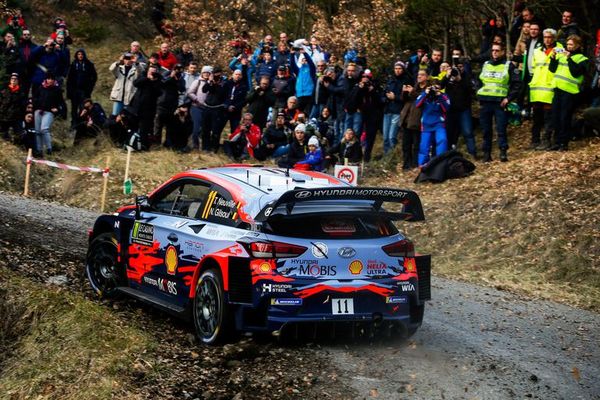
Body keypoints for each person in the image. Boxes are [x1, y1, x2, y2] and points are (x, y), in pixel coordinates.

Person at [477, 43, 522, 162]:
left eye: (497, 50)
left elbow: (517, 84)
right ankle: (487, 154)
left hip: (500, 102)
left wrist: (509, 98)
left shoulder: (508, 66)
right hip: (485, 101)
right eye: (493, 50)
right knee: (486, 130)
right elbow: (478, 81)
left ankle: (503, 152)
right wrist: (478, 92)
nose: (495, 52)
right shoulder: (486, 64)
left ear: (503, 52)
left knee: (501, 129)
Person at [549, 35, 589, 151]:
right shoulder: (562, 55)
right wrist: (553, 58)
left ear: (578, 46)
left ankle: (563, 143)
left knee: (564, 118)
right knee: (555, 117)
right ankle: (556, 142)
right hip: (557, 89)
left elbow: (576, 72)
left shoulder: (582, 59)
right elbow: (552, 69)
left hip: (570, 92)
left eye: (571, 44)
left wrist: (570, 58)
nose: (568, 47)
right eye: (568, 44)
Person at [530, 29, 562, 150]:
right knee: (537, 117)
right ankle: (535, 140)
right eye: (545, 37)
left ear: (554, 38)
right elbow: (533, 68)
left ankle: (547, 140)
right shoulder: (537, 51)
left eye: (550, 37)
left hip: (550, 86)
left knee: (549, 117)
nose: (547, 40)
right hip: (537, 88)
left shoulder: (560, 50)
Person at [443, 61, 477, 158]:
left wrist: (460, 79)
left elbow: (471, 90)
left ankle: (472, 154)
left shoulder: (467, 77)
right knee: (449, 133)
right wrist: (447, 76)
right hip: (450, 110)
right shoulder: (449, 76)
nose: (458, 69)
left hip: (464, 109)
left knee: (468, 132)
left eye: (461, 67)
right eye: (456, 67)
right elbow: (441, 86)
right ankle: (448, 155)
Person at [415, 79, 450, 166]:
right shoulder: (425, 95)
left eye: (437, 87)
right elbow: (417, 104)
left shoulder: (444, 96)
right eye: (433, 87)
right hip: (426, 124)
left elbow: (446, 108)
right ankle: (422, 164)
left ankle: (441, 163)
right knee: (424, 145)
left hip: (439, 123)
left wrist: (439, 96)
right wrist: (425, 93)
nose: (434, 89)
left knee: (442, 140)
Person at [130, 64, 163, 149]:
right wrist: (147, 78)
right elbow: (136, 83)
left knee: (145, 128)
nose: (152, 73)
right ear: (148, 71)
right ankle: (131, 143)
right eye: (150, 71)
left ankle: (144, 146)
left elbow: (159, 92)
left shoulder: (158, 79)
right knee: (133, 126)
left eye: (153, 72)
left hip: (149, 109)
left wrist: (153, 81)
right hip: (137, 106)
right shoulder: (143, 76)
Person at [400, 70, 427, 169]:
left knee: (416, 144)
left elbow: (423, 100)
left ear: (427, 77)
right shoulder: (414, 86)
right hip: (407, 119)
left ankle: (415, 164)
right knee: (406, 144)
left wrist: (413, 92)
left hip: (418, 120)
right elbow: (403, 100)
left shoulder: (427, 89)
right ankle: (406, 164)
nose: (419, 76)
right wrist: (404, 92)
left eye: (422, 75)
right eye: (418, 74)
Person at [382, 61, 410, 154]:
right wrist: (385, 98)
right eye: (396, 68)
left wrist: (395, 97)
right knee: (385, 137)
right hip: (387, 110)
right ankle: (386, 156)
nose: (397, 70)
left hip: (398, 111)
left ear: (403, 69)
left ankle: (392, 156)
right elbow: (384, 93)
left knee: (391, 137)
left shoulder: (406, 81)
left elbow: (406, 98)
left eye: (400, 69)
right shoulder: (390, 80)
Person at [33, 73, 63, 156]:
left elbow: (61, 102)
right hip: (38, 111)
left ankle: (49, 148)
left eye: (51, 79)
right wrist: (35, 105)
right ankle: (39, 150)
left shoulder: (57, 90)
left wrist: (57, 109)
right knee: (38, 131)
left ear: (54, 80)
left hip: (49, 112)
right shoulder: (40, 87)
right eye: (48, 78)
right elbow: (35, 98)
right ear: (45, 79)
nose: (49, 80)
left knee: (44, 129)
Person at [66, 49, 97, 128]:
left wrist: (89, 88)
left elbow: (94, 77)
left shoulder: (88, 64)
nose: (80, 56)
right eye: (79, 54)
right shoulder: (73, 64)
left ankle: (82, 124)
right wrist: (69, 91)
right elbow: (69, 79)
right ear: (76, 55)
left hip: (84, 91)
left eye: (82, 54)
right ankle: (73, 124)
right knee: (74, 108)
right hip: (74, 90)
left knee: (83, 107)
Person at [201, 67, 227, 152]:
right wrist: (210, 82)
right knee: (206, 129)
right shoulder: (210, 81)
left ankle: (214, 148)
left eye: (218, 74)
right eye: (214, 74)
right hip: (207, 107)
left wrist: (217, 84)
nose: (216, 76)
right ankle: (205, 147)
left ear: (220, 74)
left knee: (215, 130)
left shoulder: (224, 82)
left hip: (217, 109)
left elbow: (221, 94)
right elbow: (204, 90)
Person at [187, 65, 211, 150]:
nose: (206, 74)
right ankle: (195, 145)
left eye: (208, 73)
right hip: (196, 107)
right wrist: (197, 99)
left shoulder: (212, 83)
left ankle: (203, 146)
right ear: (202, 73)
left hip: (207, 109)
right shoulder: (197, 81)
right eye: (204, 72)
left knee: (204, 129)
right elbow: (190, 92)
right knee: (196, 128)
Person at [0, 73, 26, 141]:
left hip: (16, 117)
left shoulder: (21, 92)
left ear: (18, 81)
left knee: (19, 135)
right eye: (12, 79)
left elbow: (23, 106)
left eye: (15, 79)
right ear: (10, 80)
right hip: (4, 116)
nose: (13, 80)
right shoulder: (4, 90)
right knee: (3, 133)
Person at [222, 68, 248, 133]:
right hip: (225, 110)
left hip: (236, 111)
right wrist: (227, 105)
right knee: (219, 128)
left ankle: (233, 143)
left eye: (239, 75)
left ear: (241, 76)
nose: (237, 76)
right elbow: (222, 96)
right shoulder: (227, 84)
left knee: (235, 131)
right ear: (233, 75)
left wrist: (235, 107)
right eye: (236, 74)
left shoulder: (244, 86)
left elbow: (244, 101)